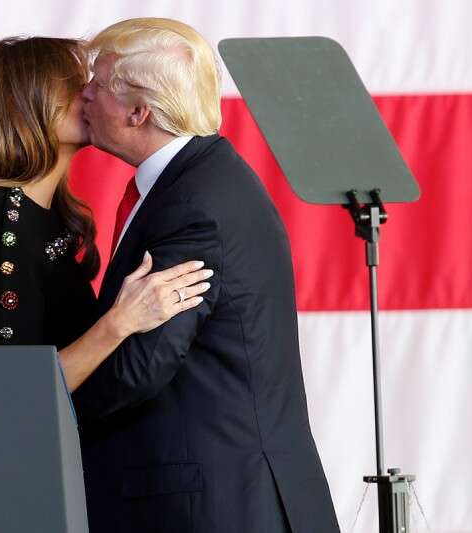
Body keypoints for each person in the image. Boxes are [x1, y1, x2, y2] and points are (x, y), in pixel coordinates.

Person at [72, 18, 340, 533]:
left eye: (97, 84)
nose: (83, 94)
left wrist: (48, 403)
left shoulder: (192, 205)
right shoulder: (205, 178)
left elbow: (142, 365)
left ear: (137, 112)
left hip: (217, 507)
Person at [0, 36, 213, 391]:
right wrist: (121, 321)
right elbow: (10, 392)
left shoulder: (44, 213)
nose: (90, 95)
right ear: (24, 105)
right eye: (76, 86)